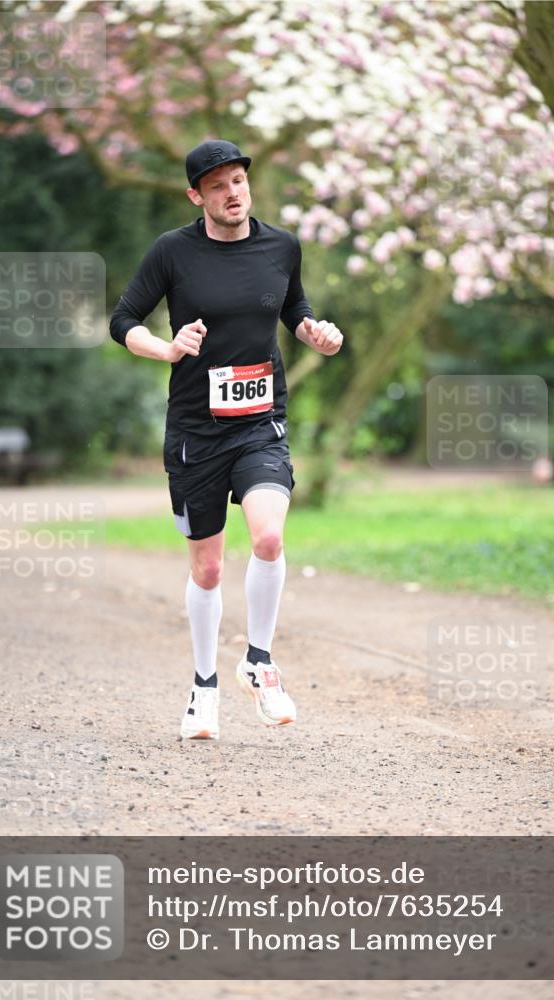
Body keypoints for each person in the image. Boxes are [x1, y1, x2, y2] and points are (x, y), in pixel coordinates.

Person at [110, 139, 343, 741]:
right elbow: (123, 320)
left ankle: (259, 663)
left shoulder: (282, 245)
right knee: (208, 569)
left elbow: (293, 305)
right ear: (197, 196)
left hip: (260, 419)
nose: (232, 192)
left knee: (269, 535)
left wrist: (314, 331)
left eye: (238, 180)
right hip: (195, 429)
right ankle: (204, 687)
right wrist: (167, 348)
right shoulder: (173, 252)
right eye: (217, 185)